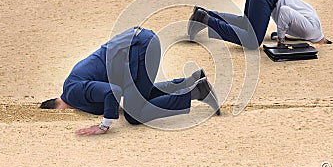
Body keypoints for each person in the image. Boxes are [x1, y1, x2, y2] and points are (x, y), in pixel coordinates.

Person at [40, 27, 220, 136]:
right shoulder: (74, 91)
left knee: (134, 115)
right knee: (140, 99)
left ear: (57, 109)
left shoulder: (73, 92)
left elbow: (113, 91)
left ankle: (196, 92)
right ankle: (191, 81)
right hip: (138, 44)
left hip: (139, 47)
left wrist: (104, 125)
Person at [187, 0, 332, 49]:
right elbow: (285, 12)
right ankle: (206, 20)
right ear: (322, 42)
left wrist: (281, 35)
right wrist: (281, 41)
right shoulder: (312, 32)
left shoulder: (312, 28)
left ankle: (204, 13)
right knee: (253, 40)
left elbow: (292, 24)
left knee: (246, 24)